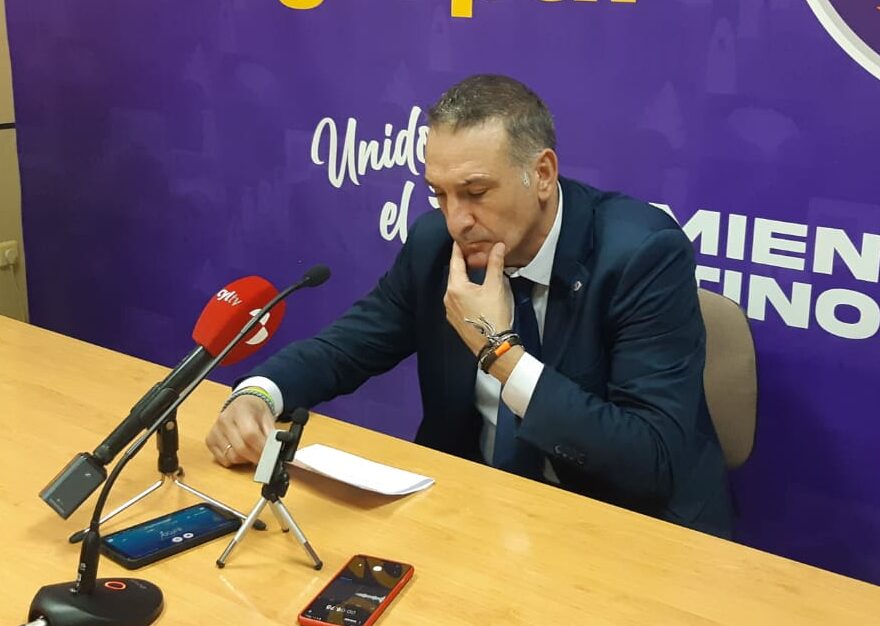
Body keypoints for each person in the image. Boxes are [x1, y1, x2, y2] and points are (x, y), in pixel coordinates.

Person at [206, 74, 733, 538]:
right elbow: (347, 346)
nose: (456, 219)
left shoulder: (641, 255)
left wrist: (501, 353)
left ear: (542, 174)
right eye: (439, 194)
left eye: (475, 192)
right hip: (477, 515)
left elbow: (650, 458)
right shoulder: (438, 245)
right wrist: (260, 393)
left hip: (623, 528)